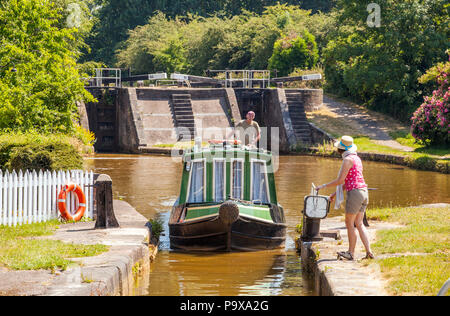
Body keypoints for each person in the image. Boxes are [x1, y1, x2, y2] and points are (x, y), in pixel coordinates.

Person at [315, 136, 375, 261]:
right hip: (363, 192)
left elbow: (340, 180)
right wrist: (334, 194)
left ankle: (350, 253)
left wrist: (323, 186)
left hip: (355, 194)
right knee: (359, 223)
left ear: (340, 150)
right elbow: (348, 180)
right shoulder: (356, 158)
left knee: (349, 223)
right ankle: (369, 252)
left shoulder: (347, 160)